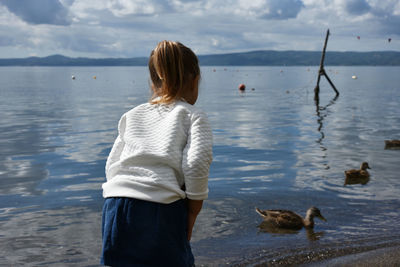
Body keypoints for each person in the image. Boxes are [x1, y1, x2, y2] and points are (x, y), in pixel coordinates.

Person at [101, 40, 213, 266]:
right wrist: (193, 210)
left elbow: (112, 163)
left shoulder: (132, 115)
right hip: (159, 207)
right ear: (194, 81)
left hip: (115, 204)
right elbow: (196, 163)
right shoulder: (192, 115)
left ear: (153, 84)